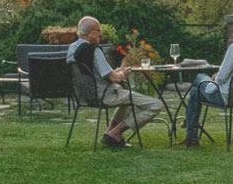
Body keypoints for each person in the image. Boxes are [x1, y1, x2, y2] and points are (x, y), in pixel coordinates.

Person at [68, 15, 165, 149]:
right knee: (156, 105)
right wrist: (123, 72)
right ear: (89, 32)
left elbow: (95, 73)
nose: (100, 34)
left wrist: (116, 71)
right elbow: (114, 78)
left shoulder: (72, 49)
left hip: (85, 95)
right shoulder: (93, 50)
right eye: (98, 30)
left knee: (126, 101)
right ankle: (116, 132)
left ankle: (109, 134)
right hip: (105, 95)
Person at [180, 13, 233, 147]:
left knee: (197, 82)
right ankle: (189, 123)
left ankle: (191, 132)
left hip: (226, 96)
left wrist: (215, 78)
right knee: (197, 87)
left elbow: (222, 77)